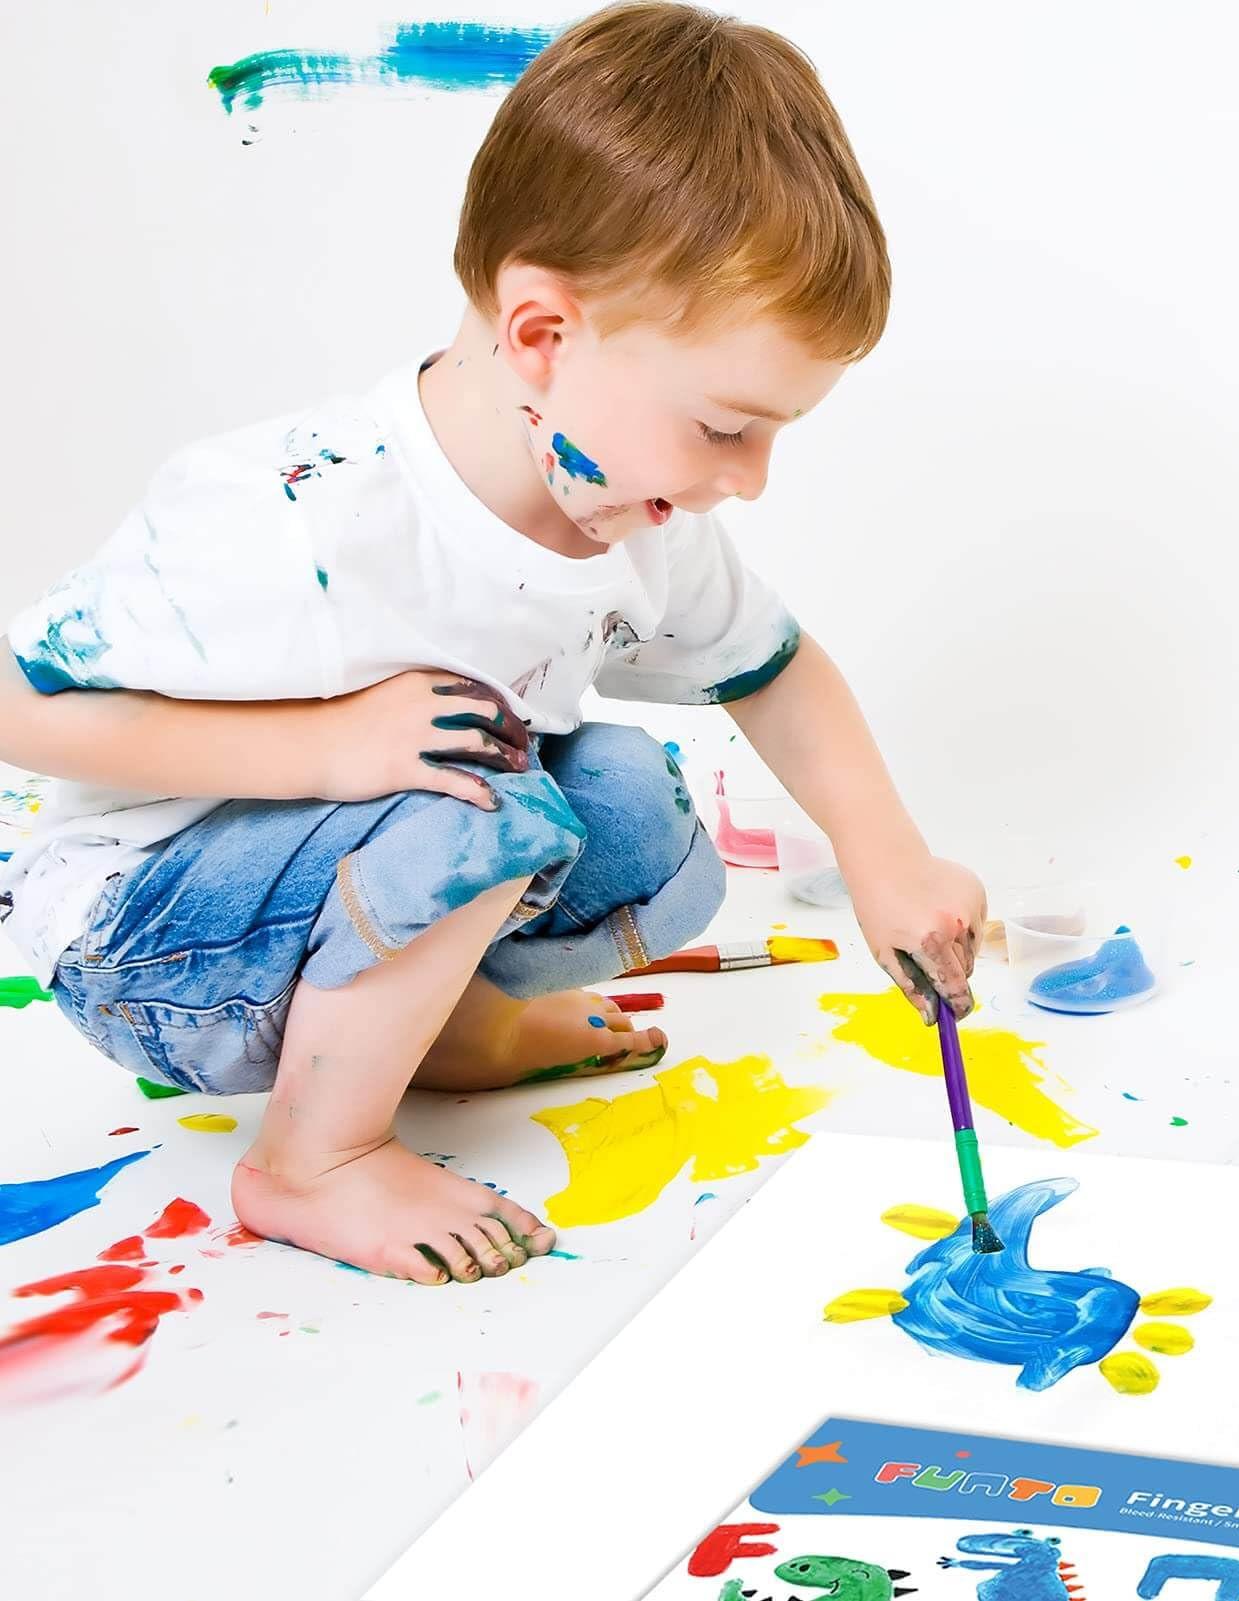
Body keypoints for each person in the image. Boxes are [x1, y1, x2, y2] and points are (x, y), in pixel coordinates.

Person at [0, 2, 986, 1285]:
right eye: (724, 426)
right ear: (541, 335)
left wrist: (887, 860)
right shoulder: (304, 518)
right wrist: (324, 744)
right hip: (147, 940)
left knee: (632, 809)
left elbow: (772, 666)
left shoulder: (637, 516)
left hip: (350, 874)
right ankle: (315, 1158)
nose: (749, 479)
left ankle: (441, 1034)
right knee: (480, 796)